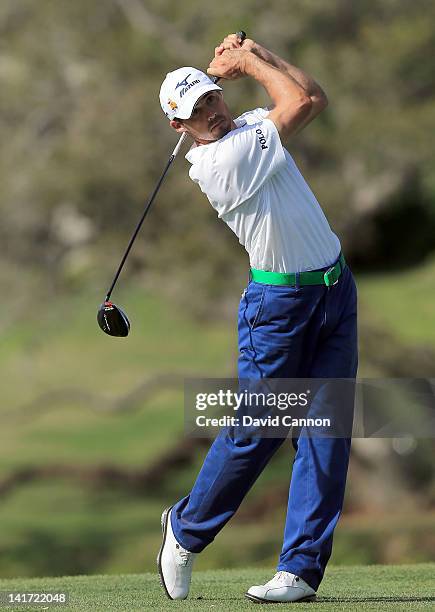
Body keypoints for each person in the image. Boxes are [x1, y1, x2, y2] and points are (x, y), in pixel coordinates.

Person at [157, 33, 358, 603]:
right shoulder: (218, 162)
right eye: (196, 111)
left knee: (327, 433)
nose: (211, 113)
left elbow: (313, 97)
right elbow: (293, 105)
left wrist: (262, 55)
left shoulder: (245, 126)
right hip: (279, 310)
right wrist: (246, 62)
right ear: (181, 127)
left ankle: (299, 569)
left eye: (210, 99)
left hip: (334, 290)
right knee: (258, 431)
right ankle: (186, 529)